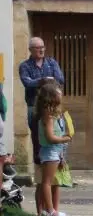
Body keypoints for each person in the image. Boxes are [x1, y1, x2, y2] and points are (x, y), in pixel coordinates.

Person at [19, 37, 65, 175]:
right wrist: (43, 81)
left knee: (56, 133)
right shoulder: (25, 66)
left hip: (53, 106)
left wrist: (42, 82)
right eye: (38, 48)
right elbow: (27, 83)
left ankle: (58, 163)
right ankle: (39, 167)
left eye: (42, 47)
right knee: (37, 136)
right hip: (34, 106)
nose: (41, 50)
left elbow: (60, 80)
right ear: (31, 50)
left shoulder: (51, 63)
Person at [34, 82, 71, 216]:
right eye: (58, 92)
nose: (61, 94)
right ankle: (50, 210)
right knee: (47, 182)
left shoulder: (52, 114)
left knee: (51, 182)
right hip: (50, 152)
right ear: (51, 97)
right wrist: (64, 139)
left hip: (54, 152)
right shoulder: (48, 116)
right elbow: (50, 137)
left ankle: (50, 209)